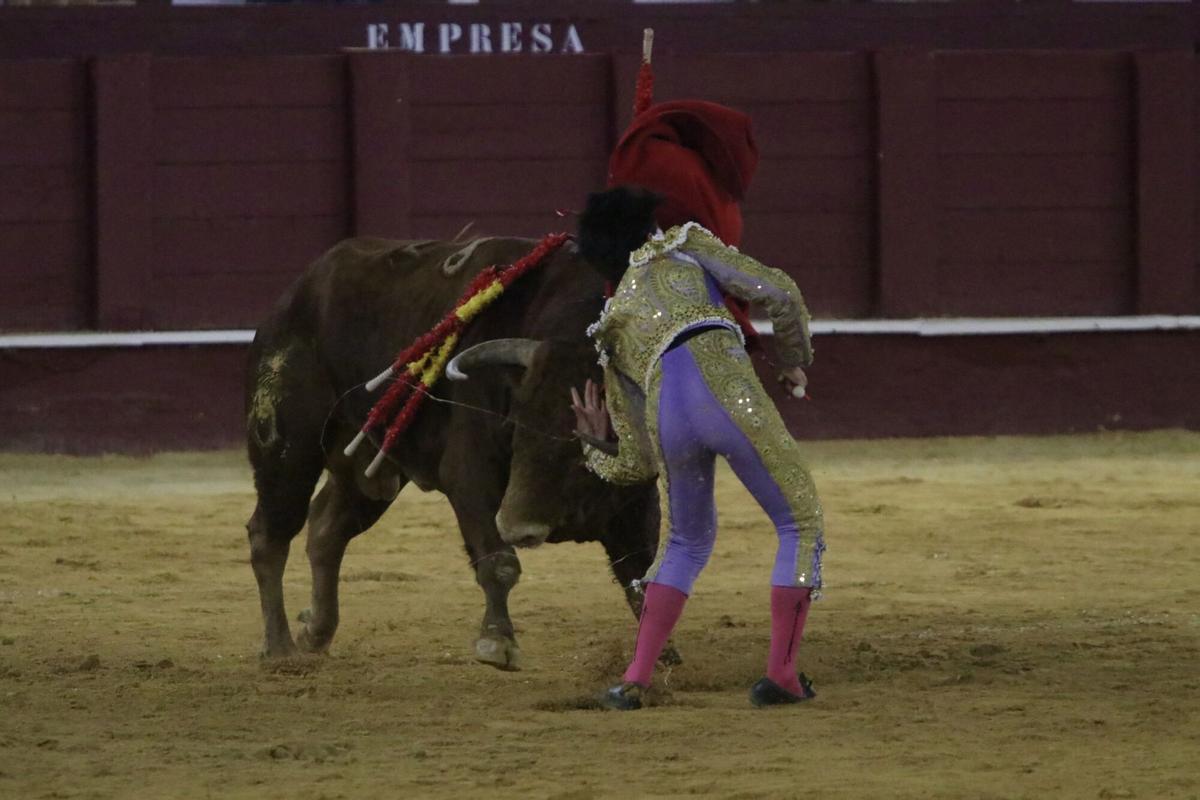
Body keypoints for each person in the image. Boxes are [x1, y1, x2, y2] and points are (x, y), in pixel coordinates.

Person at [569, 102, 826, 711]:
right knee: (800, 522)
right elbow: (779, 291)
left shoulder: (610, 326)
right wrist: (793, 358)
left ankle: (634, 680)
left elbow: (634, 464)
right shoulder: (681, 245)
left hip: (668, 412)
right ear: (648, 228)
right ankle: (782, 676)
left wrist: (590, 441)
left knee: (685, 541)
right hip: (723, 384)